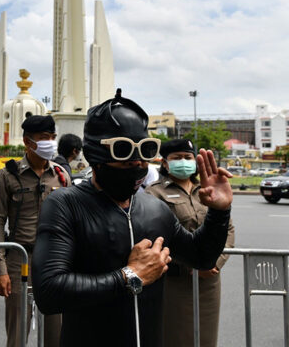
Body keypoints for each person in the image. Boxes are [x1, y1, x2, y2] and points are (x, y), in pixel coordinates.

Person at [31, 90, 232, 347]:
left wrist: (219, 211)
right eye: (125, 156)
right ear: (97, 158)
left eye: (145, 153)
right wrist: (128, 276)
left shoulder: (154, 209)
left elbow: (201, 257)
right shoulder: (66, 204)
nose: (137, 165)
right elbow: (49, 292)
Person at [0, 115, 70, 347]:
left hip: (54, 260)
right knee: (17, 331)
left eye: (53, 138)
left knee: (55, 332)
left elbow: (71, 222)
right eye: (44, 138)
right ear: (28, 142)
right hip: (20, 260)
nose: (51, 143)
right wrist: (0, 268)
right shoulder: (8, 175)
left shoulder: (61, 176)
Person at [146, 139, 235, 347]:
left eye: (188, 157)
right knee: (177, 337)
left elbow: (227, 229)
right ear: (165, 164)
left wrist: (214, 263)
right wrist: (192, 263)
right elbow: (157, 236)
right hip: (175, 282)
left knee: (206, 338)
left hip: (208, 281)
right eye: (177, 158)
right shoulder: (154, 193)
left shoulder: (206, 188)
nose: (183, 162)